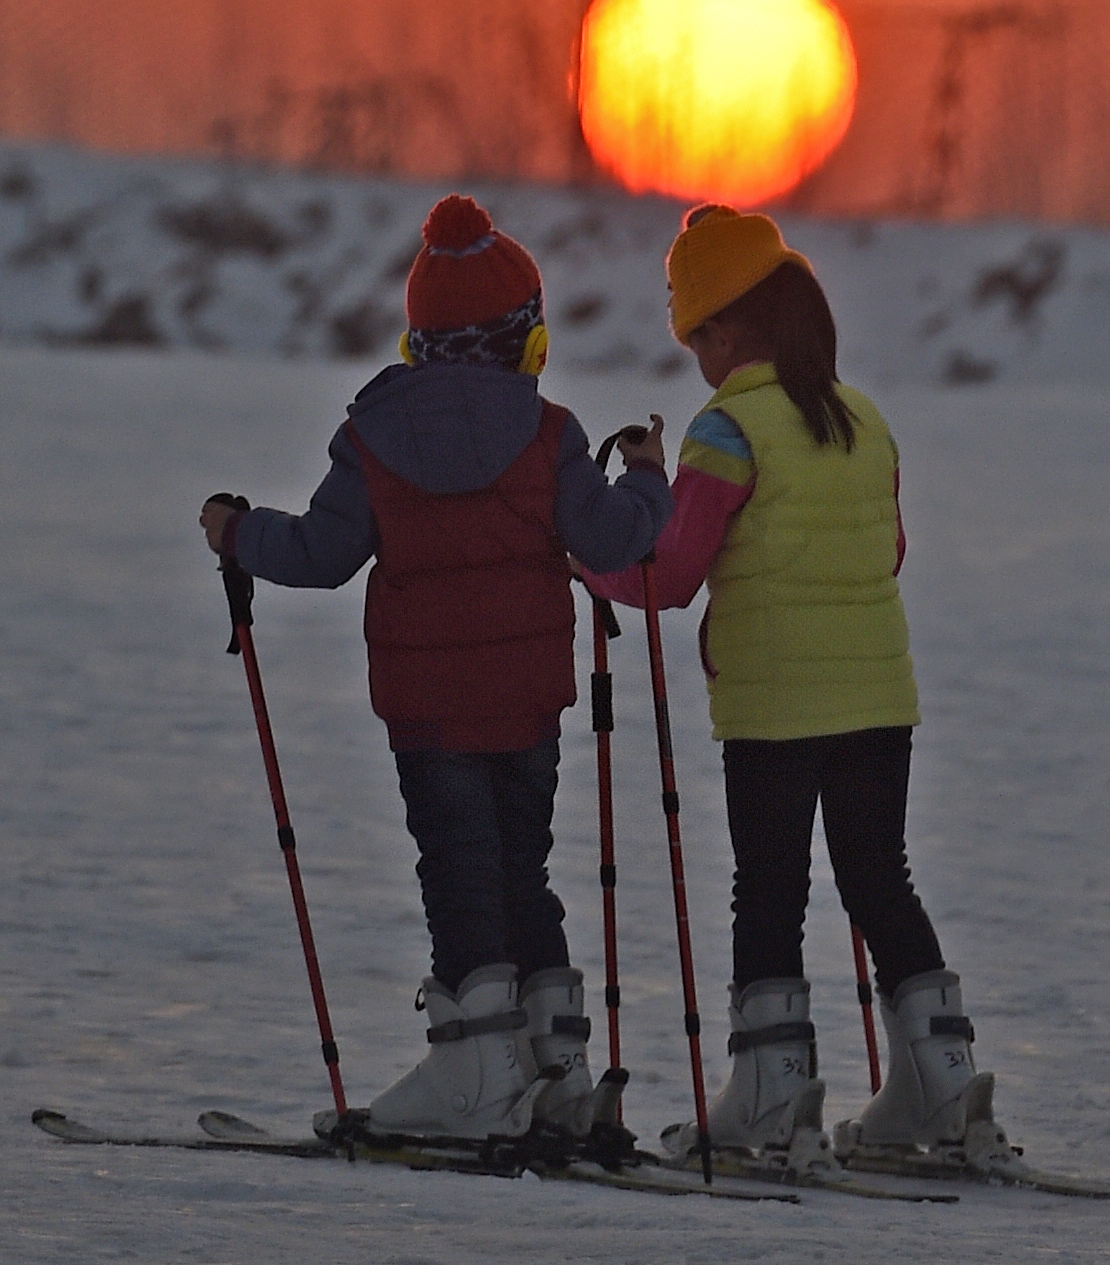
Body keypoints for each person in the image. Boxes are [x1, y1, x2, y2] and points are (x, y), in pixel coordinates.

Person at [200, 193, 671, 1144]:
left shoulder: (375, 438)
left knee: (459, 875)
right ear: (525, 342)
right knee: (522, 872)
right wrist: (648, 476)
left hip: (428, 711)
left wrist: (239, 533)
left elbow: (322, 553)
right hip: (527, 704)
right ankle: (558, 1070)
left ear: (418, 343)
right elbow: (614, 539)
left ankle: (477, 1076)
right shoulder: (551, 435)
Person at [581, 205, 996, 1166]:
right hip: (878, 697)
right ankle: (944, 1086)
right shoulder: (865, 419)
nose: (696, 360)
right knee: (879, 880)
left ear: (727, 333)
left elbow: (668, 576)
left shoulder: (726, 430)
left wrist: (591, 560)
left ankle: (772, 1095)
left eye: (697, 340)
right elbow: (889, 551)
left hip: (773, 701)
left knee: (769, 891)